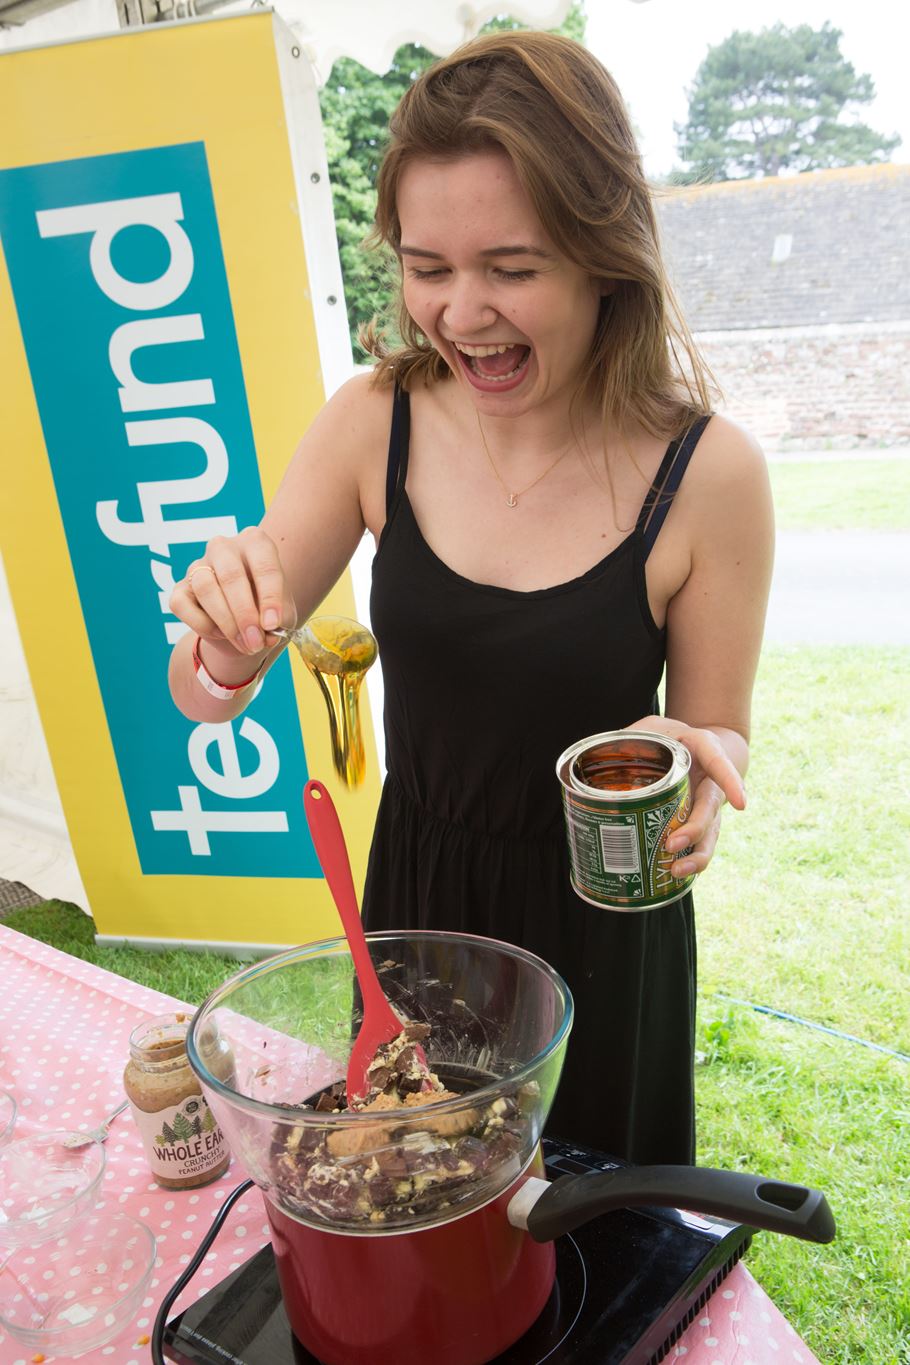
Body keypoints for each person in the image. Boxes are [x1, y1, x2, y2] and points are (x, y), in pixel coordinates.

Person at [168, 30, 773, 1165]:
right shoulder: (373, 420)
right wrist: (225, 644)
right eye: (426, 267)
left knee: (587, 1230)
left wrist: (695, 772)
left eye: (512, 267)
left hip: (603, 915)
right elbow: (206, 691)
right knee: (410, 1191)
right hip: (420, 895)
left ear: (605, 255)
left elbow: (715, 723)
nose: (460, 314)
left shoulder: (711, 471)